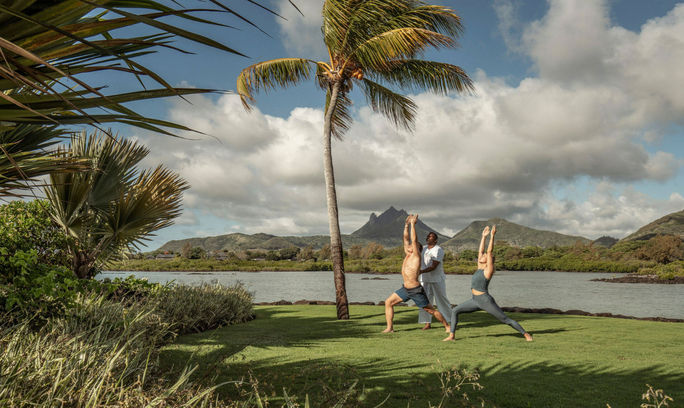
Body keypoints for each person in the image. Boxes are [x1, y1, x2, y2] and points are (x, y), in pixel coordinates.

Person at [443, 225, 533, 341]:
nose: (483, 255)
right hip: (474, 300)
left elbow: (489, 251)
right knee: (455, 310)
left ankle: (526, 334)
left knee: (505, 319)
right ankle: (451, 336)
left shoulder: (488, 270)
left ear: (489, 260)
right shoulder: (480, 267)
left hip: (485, 300)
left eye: (485, 256)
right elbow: (480, 251)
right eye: (483, 255)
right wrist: (483, 237)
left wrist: (492, 236)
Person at [383, 214, 449, 333]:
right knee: (388, 302)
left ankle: (447, 326)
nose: (407, 247)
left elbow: (413, 239)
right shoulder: (408, 254)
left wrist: (413, 225)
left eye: (410, 246)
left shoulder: (416, 256)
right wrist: (406, 225)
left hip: (415, 289)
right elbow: (406, 239)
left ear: (415, 248)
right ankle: (389, 328)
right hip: (405, 289)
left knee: (431, 310)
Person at [418, 231, 452, 331]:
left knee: (442, 299)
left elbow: (434, 266)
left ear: (436, 240)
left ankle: (450, 320)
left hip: (437, 279)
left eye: (431, 236)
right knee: (425, 301)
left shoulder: (438, 250)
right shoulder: (423, 249)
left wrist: (420, 271)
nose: (428, 237)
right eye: (428, 236)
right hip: (424, 279)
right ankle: (427, 323)